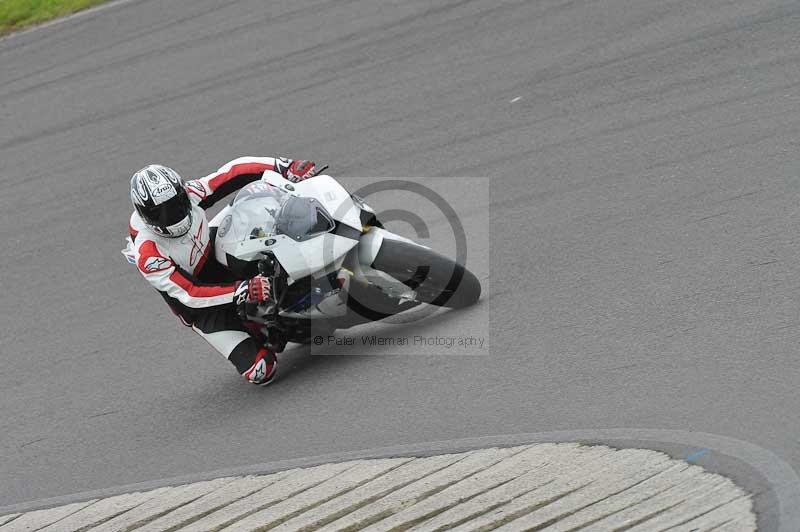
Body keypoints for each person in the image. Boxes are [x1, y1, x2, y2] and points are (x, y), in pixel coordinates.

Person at [128, 156, 319, 385]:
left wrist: (284, 167)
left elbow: (233, 172)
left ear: (182, 193)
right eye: (161, 213)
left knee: (258, 212)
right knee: (261, 370)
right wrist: (243, 289)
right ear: (145, 214)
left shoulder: (190, 193)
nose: (173, 215)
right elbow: (190, 294)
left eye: (177, 204)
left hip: (214, 255)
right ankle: (262, 327)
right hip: (203, 310)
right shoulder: (149, 254)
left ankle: (305, 261)